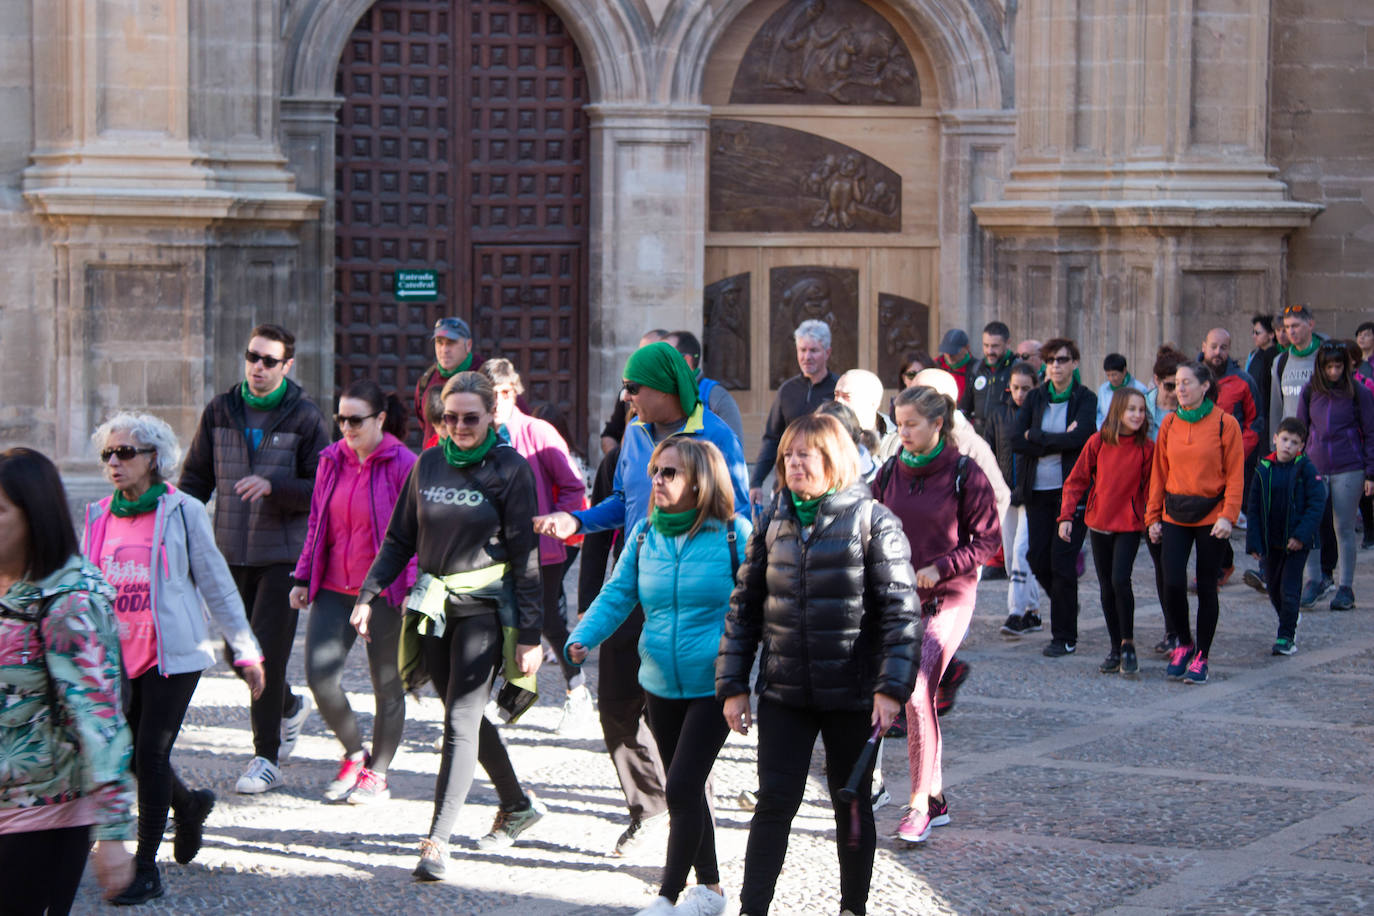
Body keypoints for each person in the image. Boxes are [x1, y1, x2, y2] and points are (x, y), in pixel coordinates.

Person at [536, 342, 749, 855]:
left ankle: (695, 827)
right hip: (637, 584)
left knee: (678, 720)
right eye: (624, 387)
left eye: (634, 388)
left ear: (666, 388)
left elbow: (738, 515)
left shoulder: (715, 436)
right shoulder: (633, 435)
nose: (626, 397)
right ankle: (651, 808)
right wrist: (579, 521)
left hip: (695, 600)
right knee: (615, 708)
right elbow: (624, 501)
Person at [718, 413, 918, 916]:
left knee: (850, 804)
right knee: (774, 804)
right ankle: (752, 909)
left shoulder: (873, 520)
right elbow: (745, 608)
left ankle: (853, 908)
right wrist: (733, 685)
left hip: (852, 693)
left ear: (833, 459)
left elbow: (901, 613)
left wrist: (891, 688)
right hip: (786, 691)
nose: (793, 463)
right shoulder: (774, 520)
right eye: (788, 455)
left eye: (804, 454)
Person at [354, 371, 546, 880]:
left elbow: (527, 558)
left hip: (485, 609)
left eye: (470, 418)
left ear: (491, 418)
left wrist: (529, 636)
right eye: (449, 417)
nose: (458, 426)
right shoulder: (429, 464)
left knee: (460, 720)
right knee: (464, 717)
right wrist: (369, 595)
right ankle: (517, 803)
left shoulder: (511, 469)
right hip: (434, 607)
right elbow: (399, 539)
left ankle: (436, 842)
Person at [83, 414, 266, 903]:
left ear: (154, 459)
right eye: (109, 454)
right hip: (119, 657)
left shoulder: (181, 510)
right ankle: (188, 806)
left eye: (126, 453)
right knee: (132, 753)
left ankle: (146, 867)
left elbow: (215, 581)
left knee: (150, 752)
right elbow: (84, 587)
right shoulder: (99, 514)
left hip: (173, 656)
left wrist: (245, 649)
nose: (115, 463)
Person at [566, 438, 750, 916]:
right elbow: (617, 593)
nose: (657, 481)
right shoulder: (645, 534)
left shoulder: (735, 535)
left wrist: (746, 681)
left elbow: (760, 610)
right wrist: (583, 636)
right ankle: (710, 889)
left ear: (699, 481)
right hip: (659, 682)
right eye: (655, 472)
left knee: (682, 787)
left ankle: (668, 896)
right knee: (687, 787)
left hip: (714, 683)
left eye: (669, 473)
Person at [178, 323, 329, 795]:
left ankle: (265, 758)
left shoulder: (305, 417)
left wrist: (274, 487)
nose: (258, 368)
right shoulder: (221, 409)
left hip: (283, 556)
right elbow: (195, 480)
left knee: (261, 652)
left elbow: (321, 488)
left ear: (287, 366)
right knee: (234, 653)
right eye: (252, 357)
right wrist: (173, 531)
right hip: (230, 552)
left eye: (269, 361)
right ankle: (287, 706)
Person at [1, 448, 136, 912]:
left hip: (41, 815)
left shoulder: (69, 601)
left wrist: (114, 833)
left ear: (35, 516)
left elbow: (100, 720)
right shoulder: (6, 583)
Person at [874, 387, 999, 844]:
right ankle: (937, 797)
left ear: (937, 425)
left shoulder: (966, 473)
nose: (902, 432)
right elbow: (872, 521)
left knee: (919, 685)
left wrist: (940, 567)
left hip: (950, 595)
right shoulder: (890, 472)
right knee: (908, 689)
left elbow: (987, 541)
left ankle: (918, 804)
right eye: (899, 423)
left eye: (911, 424)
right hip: (901, 596)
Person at [289, 381, 416, 804]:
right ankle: (354, 753)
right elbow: (316, 524)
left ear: (380, 419)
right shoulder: (331, 459)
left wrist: (412, 587)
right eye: (341, 418)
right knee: (320, 678)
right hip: (332, 587)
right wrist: (303, 577)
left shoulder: (403, 464)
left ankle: (377, 773)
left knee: (386, 683)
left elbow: (416, 534)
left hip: (382, 592)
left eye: (355, 420)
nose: (346, 427)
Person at [481, 359, 594, 731]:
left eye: (502, 394)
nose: (496, 403)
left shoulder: (539, 432)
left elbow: (574, 485)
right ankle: (510, 700)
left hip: (540, 552)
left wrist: (559, 522)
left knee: (548, 622)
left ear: (514, 392)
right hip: (494, 551)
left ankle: (577, 691)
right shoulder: (479, 436)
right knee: (499, 625)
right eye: (490, 395)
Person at [1146, 361, 1245, 686]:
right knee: (1172, 582)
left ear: (1205, 386)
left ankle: (1202, 654)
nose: (1180, 389)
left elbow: (1235, 474)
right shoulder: (1171, 424)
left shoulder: (1225, 424)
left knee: (1205, 587)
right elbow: (1159, 473)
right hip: (1175, 512)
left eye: (1187, 382)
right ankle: (1184, 642)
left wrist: (1228, 516)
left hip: (1212, 515)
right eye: (1176, 383)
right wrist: (1153, 516)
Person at [1058, 389, 1153, 677]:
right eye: (1131, 409)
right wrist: (1066, 516)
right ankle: (1114, 647)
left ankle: (1128, 644)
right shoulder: (1098, 442)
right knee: (1106, 587)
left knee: (1120, 580)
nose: (1137, 415)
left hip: (1130, 525)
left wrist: (1152, 521)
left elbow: (1150, 489)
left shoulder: (1146, 447)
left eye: (1141, 410)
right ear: (1118, 411)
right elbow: (1076, 481)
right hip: (1099, 523)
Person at [1012, 338, 1097, 657]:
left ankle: (1063, 635)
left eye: (1062, 360)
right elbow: (1016, 440)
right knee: (1036, 557)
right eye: (1050, 361)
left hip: (1069, 493)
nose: (1056, 366)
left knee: (1062, 563)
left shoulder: (1084, 398)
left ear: (1074, 362)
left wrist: (1040, 437)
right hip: (1037, 491)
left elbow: (1082, 438)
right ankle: (1066, 604)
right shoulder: (1035, 398)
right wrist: (1057, 440)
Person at [1297, 340, 1374, 610]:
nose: (1333, 372)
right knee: (1314, 524)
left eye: (1338, 366)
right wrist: (1298, 465)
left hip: (1348, 467)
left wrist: (1370, 472)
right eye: (1329, 367)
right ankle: (1314, 580)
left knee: (1343, 527)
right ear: (1321, 367)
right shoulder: (1310, 392)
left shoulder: (1359, 393)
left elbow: (1371, 432)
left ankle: (1346, 587)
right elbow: (1300, 430)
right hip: (1316, 466)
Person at [1246, 418, 1326, 656]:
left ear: (1301, 446)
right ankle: (1289, 617)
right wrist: (1255, 541)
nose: (1288, 446)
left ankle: (1285, 637)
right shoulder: (1263, 469)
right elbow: (1254, 507)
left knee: (1289, 590)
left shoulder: (1306, 469)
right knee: (1273, 588)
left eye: (1294, 442)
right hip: (1272, 541)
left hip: (1296, 543)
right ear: (1275, 439)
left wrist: (1301, 535)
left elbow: (1316, 504)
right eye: (1284, 440)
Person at [749, 320, 838, 507]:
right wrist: (756, 482)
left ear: (827, 352)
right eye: (802, 350)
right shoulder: (787, 390)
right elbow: (772, 439)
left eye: (813, 350)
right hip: (786, 485)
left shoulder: (838, 390)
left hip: (826, 487)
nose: (807, 357)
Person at [985, 361, 1044, 637]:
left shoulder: (1040, 413)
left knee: (1022, 553)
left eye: (1027, 388)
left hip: (1032, 493)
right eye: (1016, 388)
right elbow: (989, 451)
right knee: (1011, 559)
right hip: (1007, 493)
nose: (1021, 394)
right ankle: (1032, 610)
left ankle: (1016, 613)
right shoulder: (998, 414)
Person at [1201, 328, 1263, 583]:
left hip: (1230, 461)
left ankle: (1217, 568)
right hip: (1196, 459)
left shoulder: (1243, 380)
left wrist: (1238, 453)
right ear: (1204, 346)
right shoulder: (1190, 376)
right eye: (1213, 346)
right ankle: (1223, 562)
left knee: (1220, 513)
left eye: (1223, 348)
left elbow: (1255, 421)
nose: (1218, 353)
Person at [414, 317, 486, 444]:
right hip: (434, 459)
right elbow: (424, 422)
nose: (444, 350)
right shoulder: (427, 379)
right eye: (439, 342)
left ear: (468, 345)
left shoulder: (486, 377)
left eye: (451, 343)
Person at [667, 329, 745, 442]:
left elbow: (734, 448)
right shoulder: (656, 396)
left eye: (664, 358)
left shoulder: (716, 396)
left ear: (685, 360)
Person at [601, 329, 670, 455]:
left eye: (649, 355)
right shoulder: (628, 395)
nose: (627, 397)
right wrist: (619, 461)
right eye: (639, 353)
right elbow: (609, 435)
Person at [963, 320, 1016, 436]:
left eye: (995, 346)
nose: (989, 351)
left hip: (1005, 434)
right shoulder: (976, 368)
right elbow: (966, 405)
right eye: (986, 345)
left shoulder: (1016, 368)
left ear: (1007, 343)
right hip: (978, 433)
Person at [834, 368, 890, 454]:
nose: (838, 402)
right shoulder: (828, 438)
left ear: (873, 402)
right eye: (836, 395)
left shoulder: (896, 444)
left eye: (846, 396)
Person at [1094, 353, 1149, 428]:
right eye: (1108, 375)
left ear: (1124, 371)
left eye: (1114, 375)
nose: (1111, 379)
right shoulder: (1103, 389)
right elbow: (1099, 414)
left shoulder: (1140, 389)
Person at [1247, 314, 1280, 432]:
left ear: (1271, 335)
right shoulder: (1254, 355)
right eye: (1253, 333)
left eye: (1257, 333)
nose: (1254, 336)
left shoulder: (1276, 356)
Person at [935, 328, 973, 402]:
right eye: (946, 351)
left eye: (953, 352)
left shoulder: (977, 369)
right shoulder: (936, 365)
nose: (949, 355)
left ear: (967, 348)